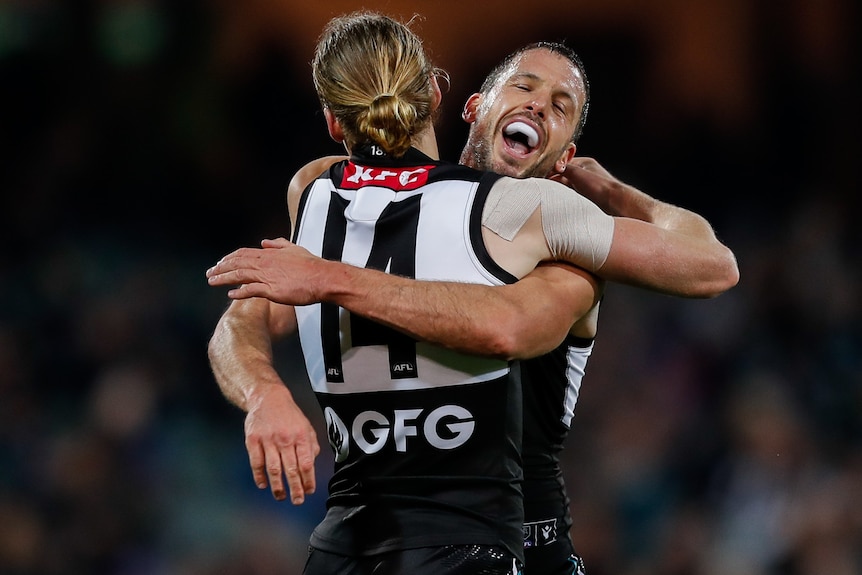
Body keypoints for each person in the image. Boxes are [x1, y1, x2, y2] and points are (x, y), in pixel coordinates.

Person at [207, 11, 738, 575]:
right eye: (524, 87)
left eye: (561, 107)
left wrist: (607, 188)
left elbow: (710, 269)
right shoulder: (358, 198)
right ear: (463, 103)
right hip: (429, 544)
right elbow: (251, 313)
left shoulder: (553, 231)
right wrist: (264, 390)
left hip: (519, 547)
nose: (538, 105)